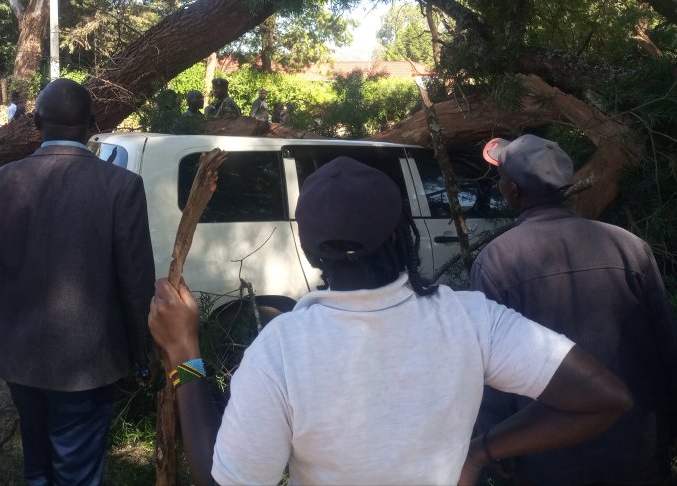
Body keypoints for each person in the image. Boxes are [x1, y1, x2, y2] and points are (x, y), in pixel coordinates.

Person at [148, 156, 633, 486]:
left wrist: (185, 355)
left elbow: (223, 478)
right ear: (403, 234)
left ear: (309, 249)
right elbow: (603, 398)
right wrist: (483, 450)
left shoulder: (281, 349)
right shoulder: (471, 319)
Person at [470, 134, 677, 485]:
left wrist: (494, 447)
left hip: (548, 456)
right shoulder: (628, 247)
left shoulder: (497, 261)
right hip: (634, 446)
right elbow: (665, 344)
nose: (501, 184)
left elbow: (491, 371)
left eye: (502, 178)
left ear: (514, 192)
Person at [0, 78, 155, 485]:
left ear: (37, 121)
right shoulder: (121, 186)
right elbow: (135, 278)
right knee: (76, 471)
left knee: (37, 461)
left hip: (18, 354)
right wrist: (142, 353)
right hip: (88, 362)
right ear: (93, 122)